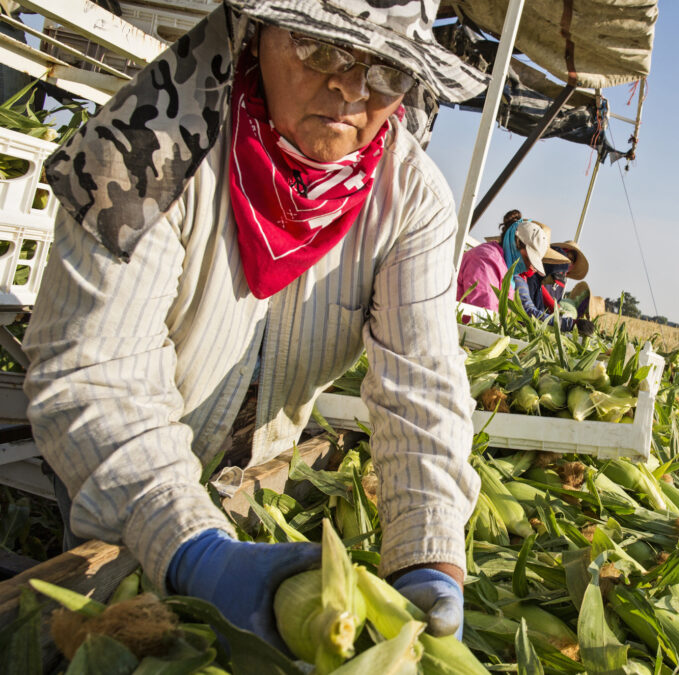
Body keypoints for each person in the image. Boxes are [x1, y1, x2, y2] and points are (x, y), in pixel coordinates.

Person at [22, 0, 487, 648]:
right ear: (258, 31)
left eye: (386, 70)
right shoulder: (142, 149)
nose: (352, 90)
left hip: (255, 481)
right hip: (122, 479)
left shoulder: (410, 204)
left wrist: (430, 555)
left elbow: (424, 386)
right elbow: (92, 371)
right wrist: (193, 549)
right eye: (324, 48)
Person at [457, 211, 595, 335]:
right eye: (529, 258)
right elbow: (485, 317)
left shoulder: (509, 270)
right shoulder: (486, 260)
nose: (530, 265)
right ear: (516, 243)